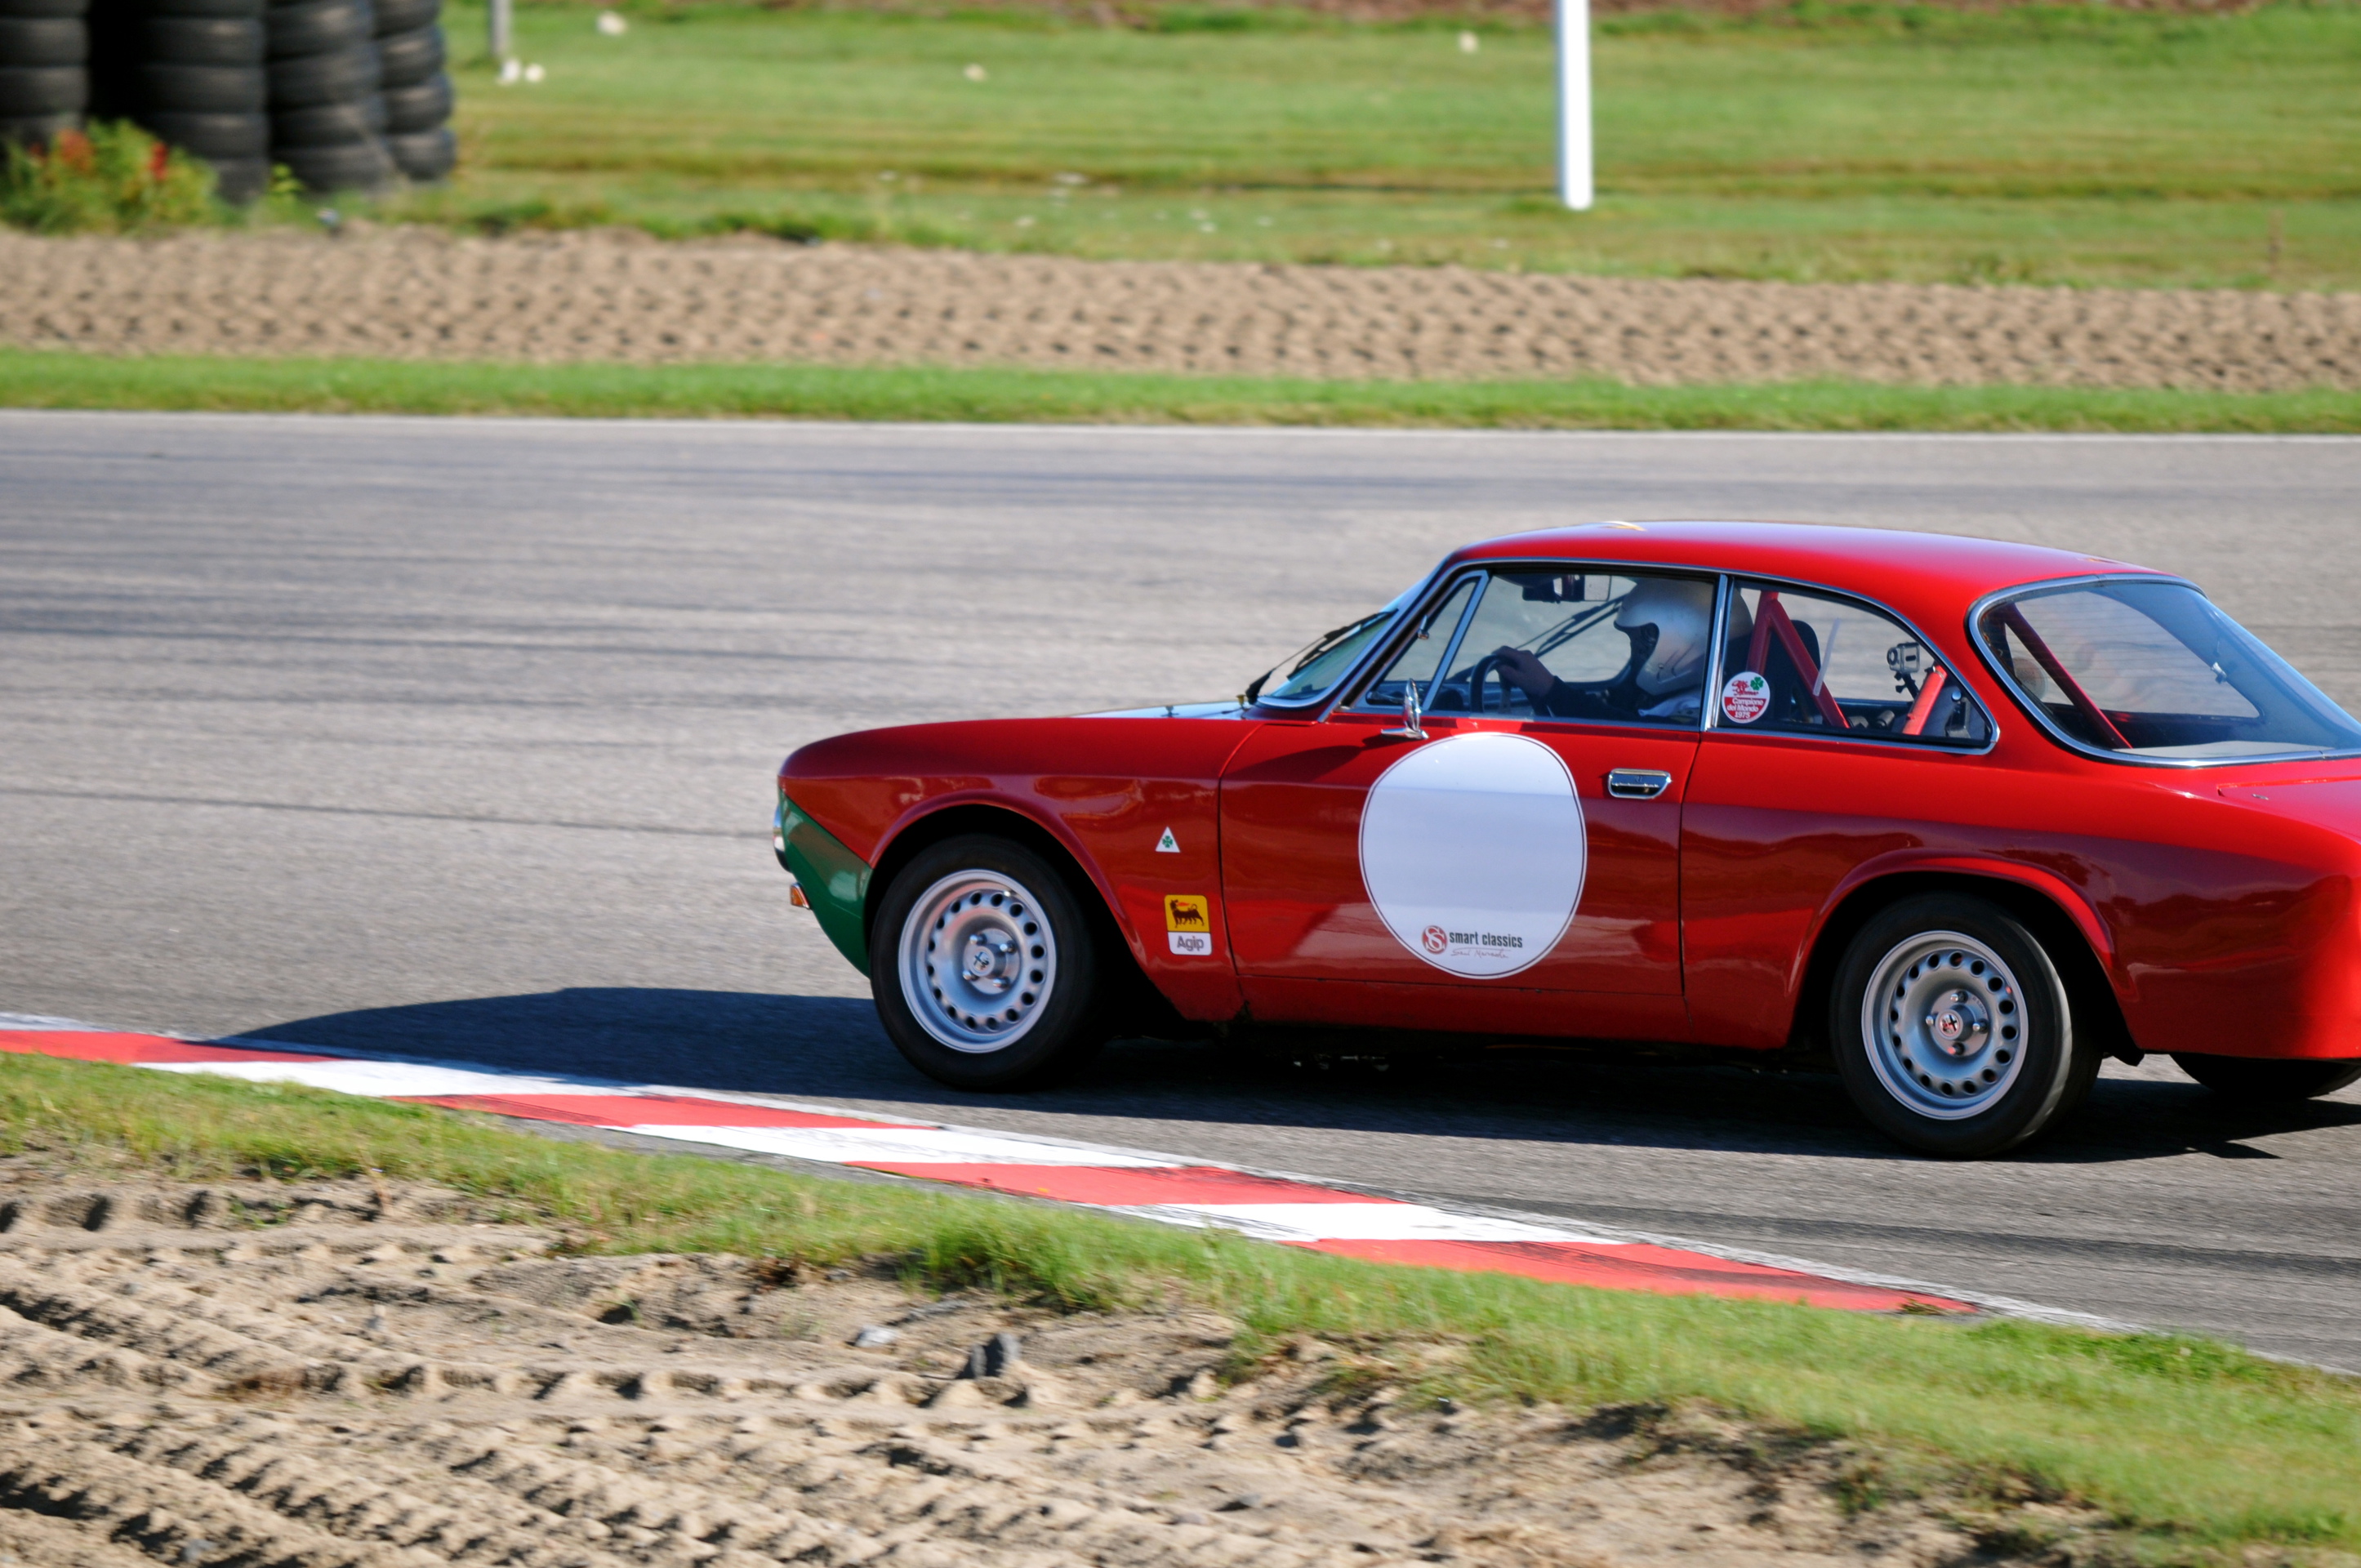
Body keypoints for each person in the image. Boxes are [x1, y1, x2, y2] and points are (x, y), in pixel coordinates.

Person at [1486, 578, 1750, 723]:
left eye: (1641, 642)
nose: (1635, 651)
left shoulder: (1695, 715)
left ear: (1683, 639)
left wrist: (1551, 689)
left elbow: (1635, 732)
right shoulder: (1678, 699)